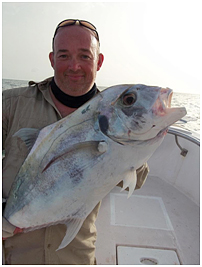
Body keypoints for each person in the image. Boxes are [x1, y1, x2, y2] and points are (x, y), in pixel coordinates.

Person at [2, 19, 149, 264]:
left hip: (74, 254)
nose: (74, 66)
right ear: (51, 59)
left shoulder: (115, 117)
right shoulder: (11, 104)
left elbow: (136, 181)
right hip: (13, 252)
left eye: (84, 56)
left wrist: (136, 142)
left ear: (99, 61)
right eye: (64, 55)